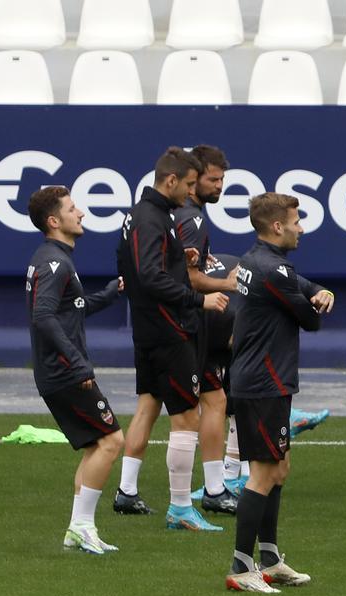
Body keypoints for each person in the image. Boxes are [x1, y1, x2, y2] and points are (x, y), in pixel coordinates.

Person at [113, 147, 230, 531]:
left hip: (147, 330)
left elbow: (131, 269)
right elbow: (150, 276)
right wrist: (197, 299)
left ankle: (127, 491)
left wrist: (179, 258)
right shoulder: (154, 218)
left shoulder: (138, 215)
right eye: (190, 184)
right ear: (171, 180)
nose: (192, 192)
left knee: (148, 405)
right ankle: (180, 508)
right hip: (170, 331)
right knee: (186, 416)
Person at [225, 193, 333, 594]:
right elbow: (311, 319)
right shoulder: (274, 270)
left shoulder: (256, 260)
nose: (301, 228)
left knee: (279, 469)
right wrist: (318, 301)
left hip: (263, 381)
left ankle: (269, 560)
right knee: (264, 474)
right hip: (263, 384)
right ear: (277, 226)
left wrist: (321, 291)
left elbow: (305, 286)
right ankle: (241, 567)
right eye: (296, 221)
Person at [25, 186, 125, 555]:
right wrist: (77, 361)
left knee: (97, 445)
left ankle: (78, 529)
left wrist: (111, 293)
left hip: (58, 370)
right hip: (65, 372)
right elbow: (43, 317)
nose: (80, 213)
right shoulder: (55, 263)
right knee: (112, 441)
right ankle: (82, 526)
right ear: (54, 221)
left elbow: (72, 308)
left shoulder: (54, 259)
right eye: (72, 208)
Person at [174, 144, 240, 514]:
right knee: (184, 414)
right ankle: (182, 503)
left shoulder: (171, 213)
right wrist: (225, 285)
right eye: (213, 179)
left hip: (175, 323)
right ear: (193, 178)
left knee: (213, 400)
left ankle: (214, 489)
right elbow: (188, 278)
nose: (219, 186)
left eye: (221, 179)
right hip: (184, 325)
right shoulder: (191, 219)